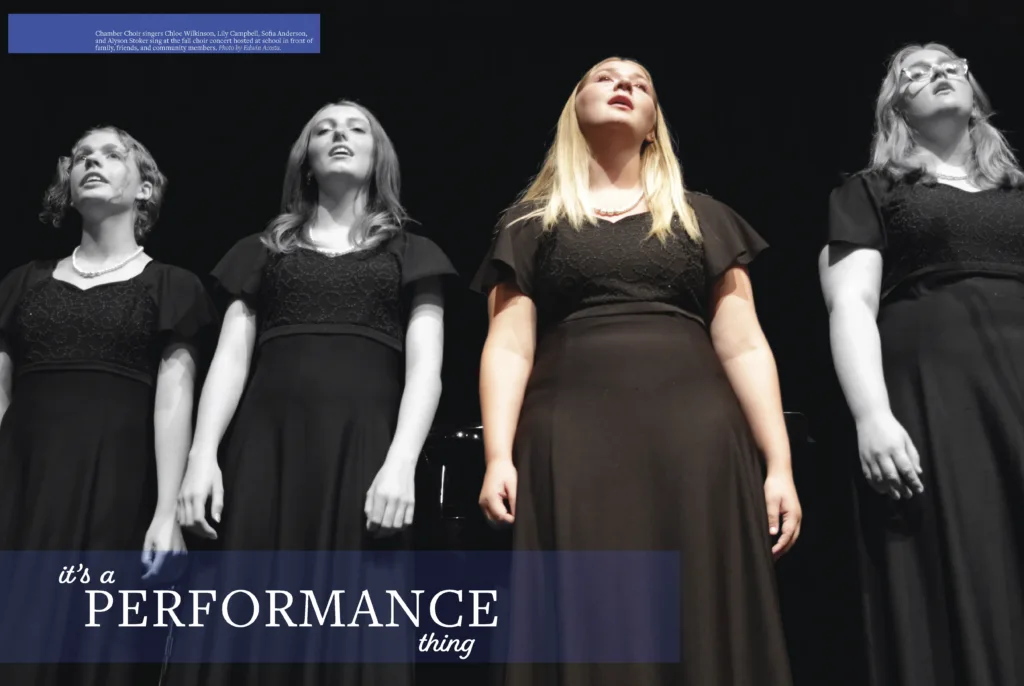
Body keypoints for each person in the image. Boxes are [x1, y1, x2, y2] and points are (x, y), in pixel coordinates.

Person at [473, 57, 800, 686]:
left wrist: (778, 464)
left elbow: (744, 344)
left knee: (699, 610)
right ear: (574, 109)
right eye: (604, 77)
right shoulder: (528, 222)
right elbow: (508, 345)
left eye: (640, 83)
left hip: (695, 440)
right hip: (570, 439)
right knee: (591, 614)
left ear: (654, 124)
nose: (623, 84)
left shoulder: (701, 214)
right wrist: (497, 455)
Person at [170, 100, 457, 685]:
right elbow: (230, 358)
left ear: (379, 156)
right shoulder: (264, 250)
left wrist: (401, 463)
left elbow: (427, 370)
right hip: (263, 455)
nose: (339, 135)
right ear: (306, 158)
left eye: (356, 129)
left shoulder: (411, 253)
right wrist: (201, 458)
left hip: (364, 454)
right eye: (324, 129)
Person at [820, 42, 1024, 686]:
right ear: (896, 107)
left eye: (951, 64)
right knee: (969, 553)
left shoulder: (1019, 191)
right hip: (938, 395)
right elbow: (849, 303)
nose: (937, 73)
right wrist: (870, 414)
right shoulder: (873, 192)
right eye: (915, 71)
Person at [0, 126, 217, 686]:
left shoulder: (171, 285)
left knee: (98, 653)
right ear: (66, 187)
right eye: (80, 158)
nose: (91, 163)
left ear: (145, 188)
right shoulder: (23, 283)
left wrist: (167, 513)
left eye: (111, 155)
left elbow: (174, 404)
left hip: (115, 493)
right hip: (21, 489)